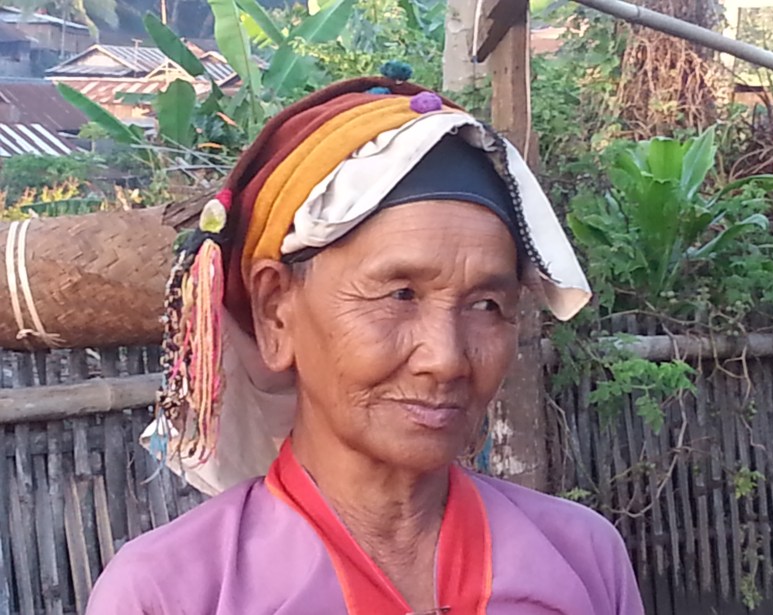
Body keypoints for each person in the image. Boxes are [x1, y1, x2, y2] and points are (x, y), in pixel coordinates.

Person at [87, 66, 644, 615]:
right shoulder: (169, 595)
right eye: (399, 295)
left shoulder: (581, 558)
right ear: (276, 311)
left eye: (485, 306)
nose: (446, 359)